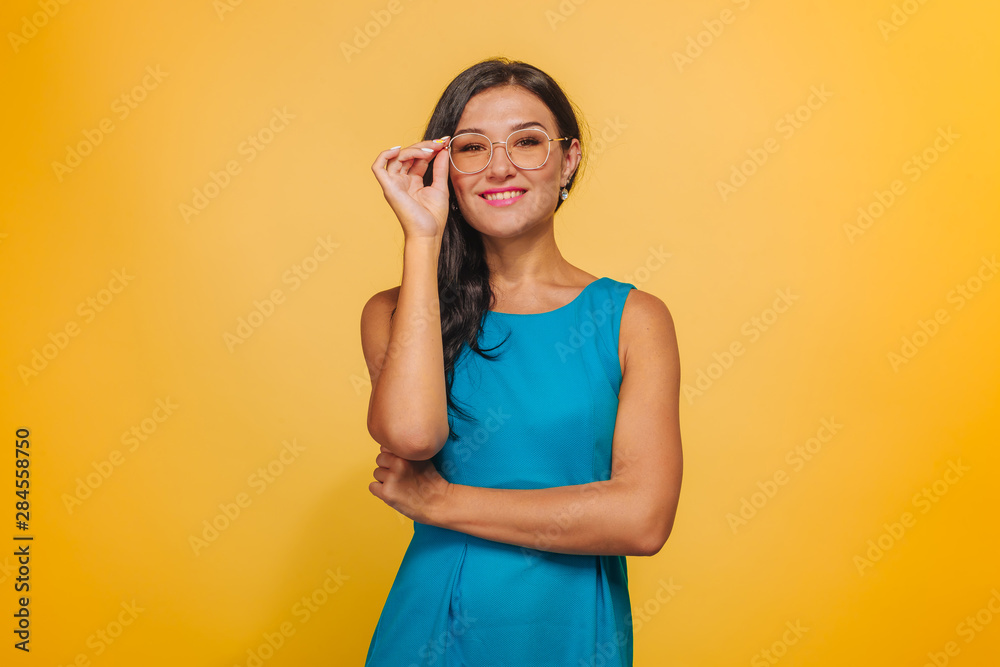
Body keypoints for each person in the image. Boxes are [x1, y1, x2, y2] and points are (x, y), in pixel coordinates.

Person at [361, 57, 682, 666]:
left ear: (569, 159)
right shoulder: (395, 311)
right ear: (444, 169)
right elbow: (412, 435)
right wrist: (422, 238)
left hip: (573, 632)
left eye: (527, 142)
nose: (499, 166)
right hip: (432, 632)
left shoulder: (633, 320)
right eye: (472, 147)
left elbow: (642, 520)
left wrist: (441, 502)